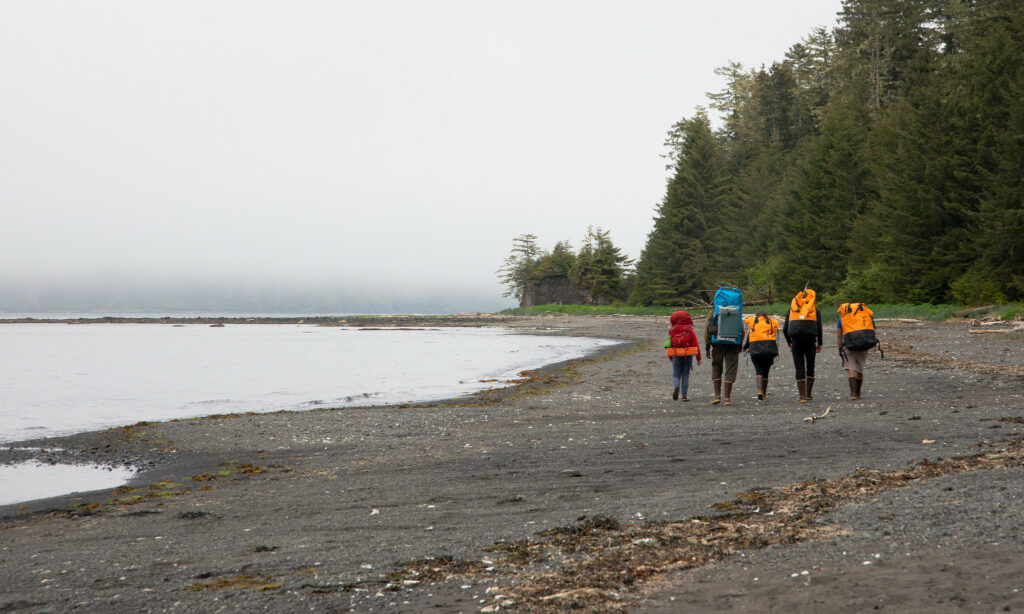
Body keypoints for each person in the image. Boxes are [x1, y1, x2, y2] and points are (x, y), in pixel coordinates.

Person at [782, 288, 822, 403]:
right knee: (810, 366)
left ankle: (802, 396)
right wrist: (819, 343)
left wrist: (789, 341)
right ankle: (809, 394)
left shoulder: (792, 309)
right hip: (811, 341)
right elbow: (819, 328)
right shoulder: (815, 310)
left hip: (796, 341)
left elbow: (785, 329)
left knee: (799, 366)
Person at [836, 302, 878, 400]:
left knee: (851, 368)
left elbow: (839, 335)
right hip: (862, 346)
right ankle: (858, 393)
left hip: (848, 346)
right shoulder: (863, 317)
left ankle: (853, 394)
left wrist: (839, 347)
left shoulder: (841, 320)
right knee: (859, 369)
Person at [704, 311, 741, 405]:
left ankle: (717, 396)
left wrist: (707, 346)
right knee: (731, 368)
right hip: (733, 343)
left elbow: (707, 329)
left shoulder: (714, 312)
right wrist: (739, 344)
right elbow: (742, 329)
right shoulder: (736, 310)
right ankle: (727, 398)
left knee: (716, 366)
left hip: (717, 343)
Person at [743, 311, 779, 401]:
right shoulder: (771, 322)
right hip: (769, 349)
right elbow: (774, 337)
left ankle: (759, 391)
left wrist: (745, 347)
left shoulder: (754, 322)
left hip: (755, 349)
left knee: (758, 370)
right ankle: (764, 393)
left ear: (757, 316)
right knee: (766, 371)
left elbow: (749, 337)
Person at [666, 310, 702, 401]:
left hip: (676, 354)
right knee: (685, 375)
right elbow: (696, 345)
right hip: (688, 354)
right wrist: (698, 358)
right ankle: (684, 397)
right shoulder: (690, 330)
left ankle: (676, 386)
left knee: (676, 374)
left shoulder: (672, 330)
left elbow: (670, 344)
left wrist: (670, 357)